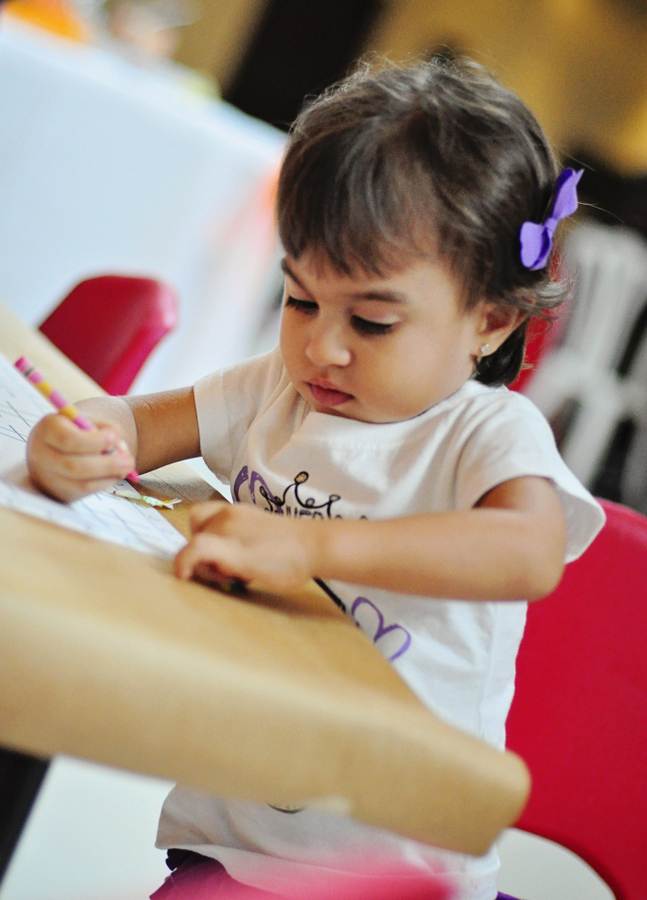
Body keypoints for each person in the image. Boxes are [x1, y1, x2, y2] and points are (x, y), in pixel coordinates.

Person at [26, 57, 605, 900]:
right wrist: (77, 435)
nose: (321, 348)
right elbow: (133, 423)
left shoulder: (481, 434)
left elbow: (529, 552)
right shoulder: (279, 388)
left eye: (370, 321)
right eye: (300, 300)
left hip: (389, 871)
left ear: (488, 320)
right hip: (230, 838)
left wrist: (308, 545)